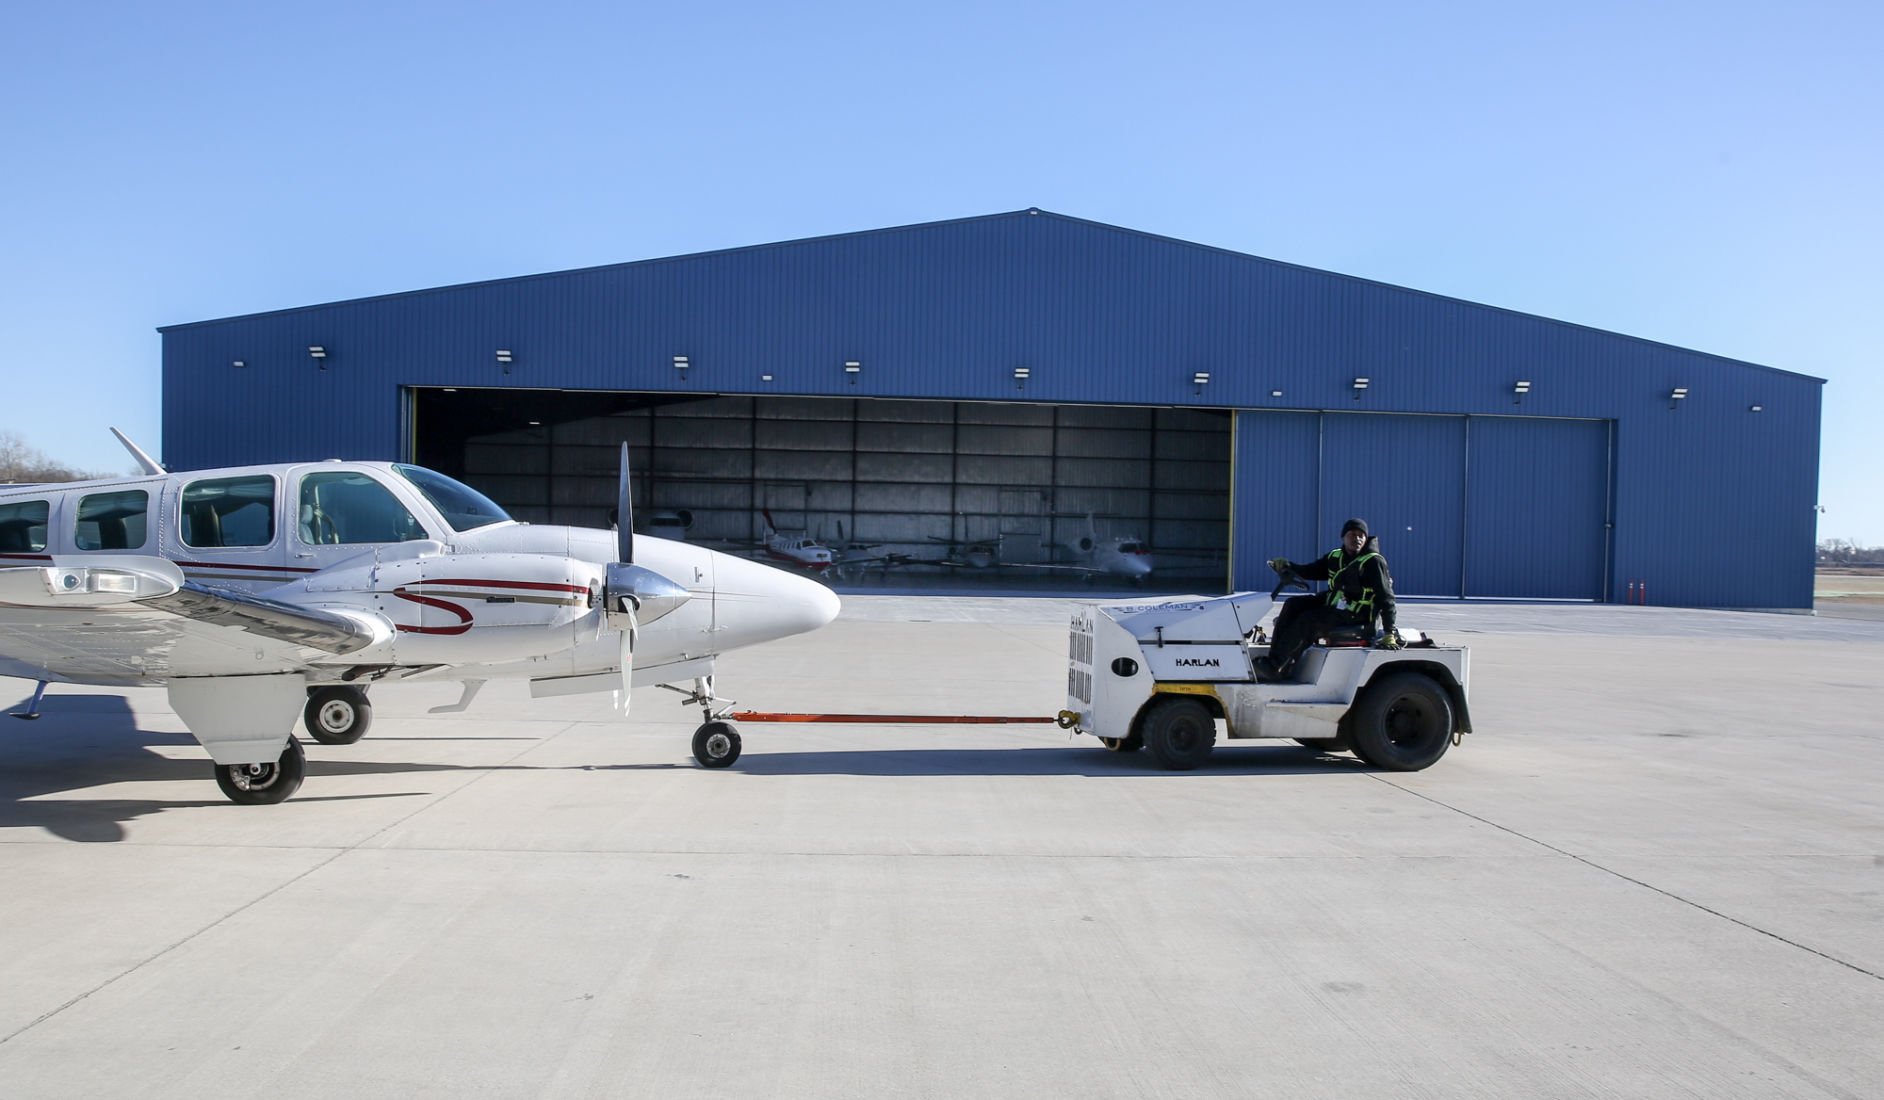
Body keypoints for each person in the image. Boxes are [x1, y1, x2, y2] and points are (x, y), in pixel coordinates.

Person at [1254, 517, 1399, 682]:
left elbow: (1386, 597)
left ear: (1366, 538)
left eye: (1361, 535)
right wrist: (1290, 566)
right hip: (1337, 606)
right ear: (1343, 537)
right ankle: (1278, 661)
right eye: (1352, 534)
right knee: (1293, 605)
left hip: (1358, 614)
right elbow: (1312, 571)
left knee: (1308, 620)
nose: (1357, 539)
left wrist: (1389, 631)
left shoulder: (1373, 562)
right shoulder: (1335, 557)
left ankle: (1275, 666)